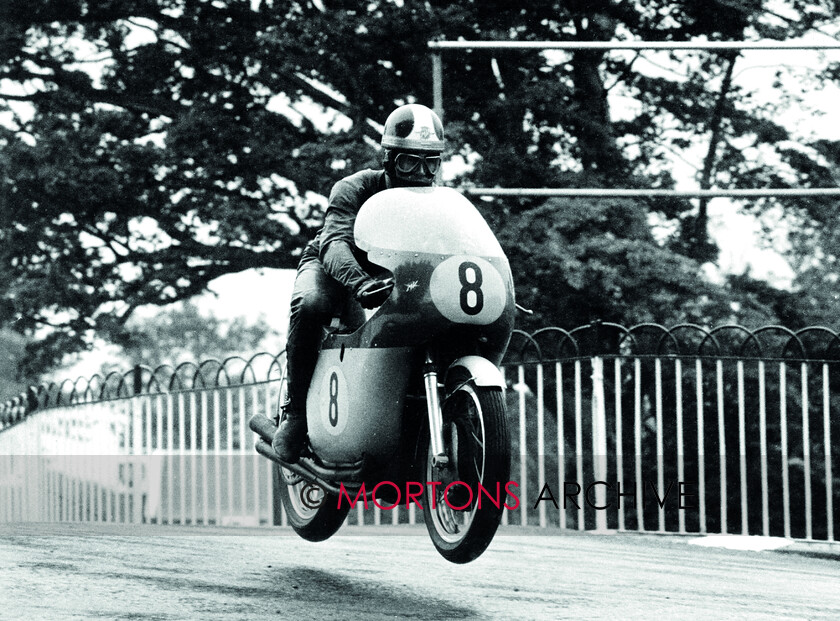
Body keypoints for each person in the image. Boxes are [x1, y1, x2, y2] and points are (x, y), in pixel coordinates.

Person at [272, 103, 446, 462]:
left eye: (430, 162)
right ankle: (296, 413)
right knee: (312, 305)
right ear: (388, 158)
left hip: (393, 280)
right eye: (409, 161)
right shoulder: (353, 187)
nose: (421, 172)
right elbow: (334, 244)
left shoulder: (439, 204)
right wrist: (360, 282)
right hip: (335, 270)